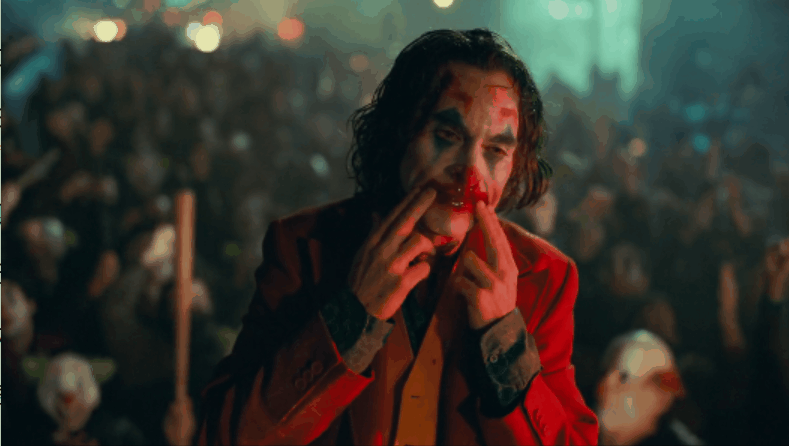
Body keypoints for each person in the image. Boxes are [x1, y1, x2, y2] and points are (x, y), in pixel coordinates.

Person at [195, 29, 598, 445]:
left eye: (495, 150)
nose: (470, 172)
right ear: (399, 132)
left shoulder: (545, 277)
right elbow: (227, 436)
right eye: (447, 137)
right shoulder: (306, 246)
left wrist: (506, 344)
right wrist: (350, 319)